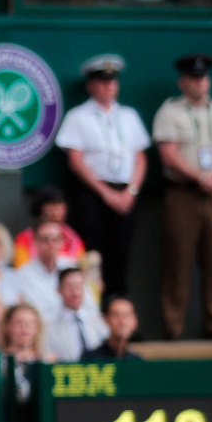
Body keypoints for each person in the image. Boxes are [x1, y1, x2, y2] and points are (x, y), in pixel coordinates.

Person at [55, 54, 151, 297]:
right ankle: (92, 308)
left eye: (113, 82)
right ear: (91, 85)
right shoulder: (78, 116)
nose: (109, 87)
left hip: (126, 193)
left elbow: (140, 157)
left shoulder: (129, 115)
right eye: (103, 82)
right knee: (92, 255)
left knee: (121, 252)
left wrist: (131, 191)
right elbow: (75, 161)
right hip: (92, 194)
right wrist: (106, 193)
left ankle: (119, 310)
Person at [152, 53, 212, 339]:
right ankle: (173, 329)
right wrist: (199, 177)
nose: (200, 83)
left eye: (203, 78)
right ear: (183, 82)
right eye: (194, 78)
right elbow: (168, 155)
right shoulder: (170, 112)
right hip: (183, 194)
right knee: (178, 263)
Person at [16, 219, 79, 322]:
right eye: (45, 239)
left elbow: (88, 305)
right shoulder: (23, 275)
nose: (51, 244)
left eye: (56, 239)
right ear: (35, 241)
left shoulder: (72, 266)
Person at [43, 268, 107, 363]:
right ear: (59, 290)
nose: (75, 293)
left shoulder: (98, 321)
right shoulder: (49, 326)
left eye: (79, 286)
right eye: (69, 287)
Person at [12, 186, 85, 268]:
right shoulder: (23, 239)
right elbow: (21, 268)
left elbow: (81, 267)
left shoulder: (73, 239)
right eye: (52, 207)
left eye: (61, 207)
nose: (56, 212)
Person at [85, 295, 144, 361]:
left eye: (127, 315)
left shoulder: (137, 362)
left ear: (135, 321)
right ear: (105, 319)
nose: (122, 322)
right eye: (116, 315)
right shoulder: (91, 359)